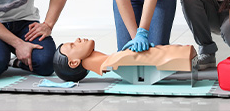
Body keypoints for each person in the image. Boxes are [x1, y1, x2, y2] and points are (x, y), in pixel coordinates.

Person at [53, 38, 196, 82]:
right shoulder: (118, 60)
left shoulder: (117, 58)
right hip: (183, 54)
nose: (77, 39)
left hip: (183, 53)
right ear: (74, 63)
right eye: (73, 45)